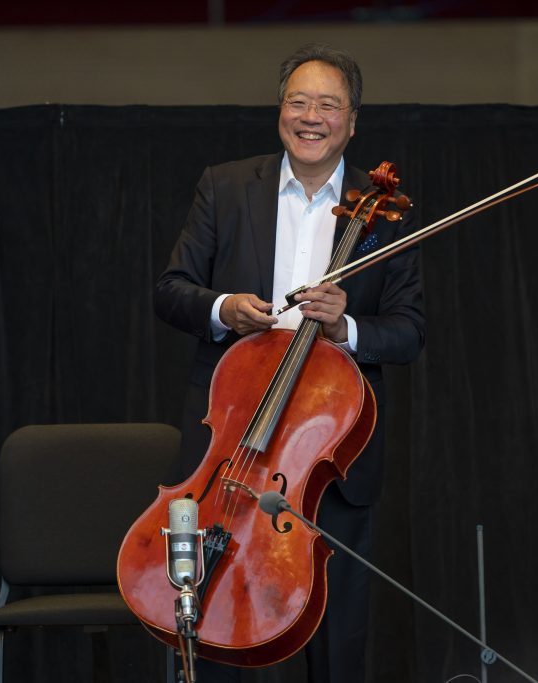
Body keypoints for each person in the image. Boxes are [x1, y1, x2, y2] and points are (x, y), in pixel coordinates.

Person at [154, 43, 425, 683]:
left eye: (327, 105)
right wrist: (224, 308)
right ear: (280, 110)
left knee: (337, 631)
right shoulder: (223, 187)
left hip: (328, 447)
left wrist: (345, 325)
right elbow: (171, 290)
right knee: (216, 620)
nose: (311, 116)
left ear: (352, 121)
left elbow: (409, 332)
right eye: (298, 101)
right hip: (234, 443)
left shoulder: (381, 208)